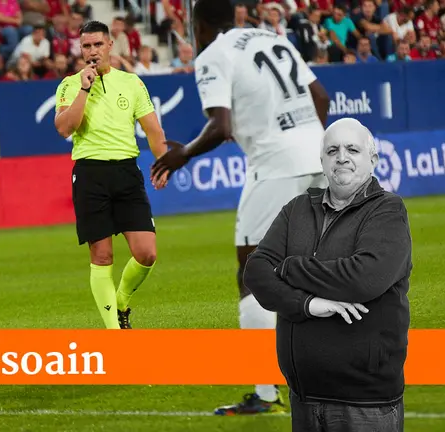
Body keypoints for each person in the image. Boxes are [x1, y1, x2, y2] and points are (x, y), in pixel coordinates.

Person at [150, 0, 332, 415]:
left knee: (252, 273)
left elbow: (220, 126)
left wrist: (184, 155)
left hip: (274, 167)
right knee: (306, 269)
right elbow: (319, 95)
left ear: (196, 24)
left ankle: (265, 394)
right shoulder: (270, 36)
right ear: (234, 14)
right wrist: (306, 140)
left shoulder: (214, 53)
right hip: (318, 158)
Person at [244, 118, 411, 432]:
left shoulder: (388, 211)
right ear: (322, 161)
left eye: (352, 149)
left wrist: (289, 267)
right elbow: (255, 272)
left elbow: (362, 279)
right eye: (332, 150)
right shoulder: (297, 209)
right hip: (304, 397)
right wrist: (307, 303)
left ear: (372, 159)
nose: (342, 157)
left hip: (365, 404)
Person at [53, 20, 168, 330]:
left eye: (97, 45)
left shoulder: (131, 83)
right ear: (80, 49)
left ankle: (121, 302)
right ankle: (113, 334)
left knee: (146, 253)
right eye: (86, 46)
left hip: (126, 172)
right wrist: (84, 89)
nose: (92, 51)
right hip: (90, 173)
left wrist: (164, 162)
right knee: (102, 256)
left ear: (109, 46)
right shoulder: (70, 84)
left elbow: (153, 130)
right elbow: (65, 128)